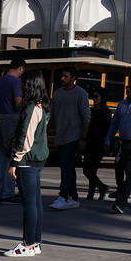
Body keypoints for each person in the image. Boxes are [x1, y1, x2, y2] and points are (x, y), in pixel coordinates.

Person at [3, 69, 51, 257]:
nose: (20, 86)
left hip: (26, 160)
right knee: (36, 203)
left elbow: (25, 138)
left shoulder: (31, 108)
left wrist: (14, 160)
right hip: (38, 159)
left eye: (23, 84)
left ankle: (28, 243)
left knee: (29, 204)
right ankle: (35, 242)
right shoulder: (43, 107)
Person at [50, 66, 90, 210]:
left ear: (74, 78)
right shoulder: (58, 93)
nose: (62, 79)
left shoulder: (80, 94)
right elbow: (52, 115)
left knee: (66, 167)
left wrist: (83, 138)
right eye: (62, 76)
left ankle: (64, 196)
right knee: (68, 167)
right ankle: (73, 197)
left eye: (66, 76)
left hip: (73, 136)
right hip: (61, 136)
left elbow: (86, 118)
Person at [105, 72, 131, 214]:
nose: (129, 90)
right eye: (128, 87)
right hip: (123, 143)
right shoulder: (122, 104)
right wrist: (108, 139)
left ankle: (121, 201)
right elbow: (114, 124)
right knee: (130, 172)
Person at [0, 56, 26, 204]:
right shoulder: (16, 82)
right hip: (12, 120)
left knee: (0, 159)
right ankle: (8, 193)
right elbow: (18, 104)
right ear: (21, 68)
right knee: (11, 158)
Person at [83, 87, 111, 202]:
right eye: (93, 96)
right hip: (90, 142)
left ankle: (101, 187)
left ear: (102, 98)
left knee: (91, 170)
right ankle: (93, 192)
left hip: (99, 144)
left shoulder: (106, 113)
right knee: (88, 169)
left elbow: (106, 129)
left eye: (96, 97)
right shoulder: (92, 111)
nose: (94, 99)